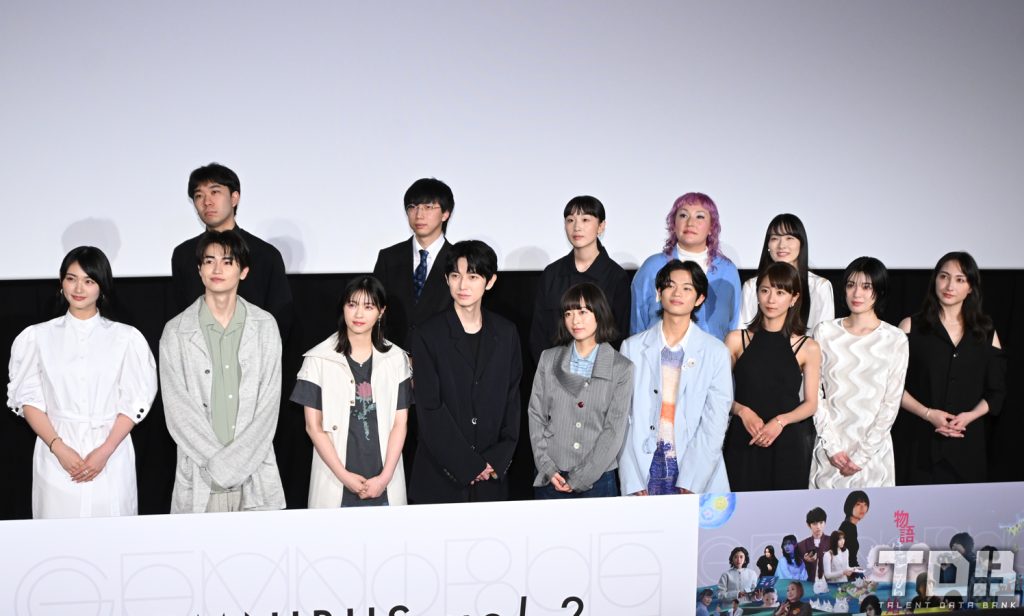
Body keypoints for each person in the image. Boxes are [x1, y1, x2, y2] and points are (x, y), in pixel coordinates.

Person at [7, 247, 158, 518]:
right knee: (56, 537)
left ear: (102, 286)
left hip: (111, 455)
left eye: (89, 281)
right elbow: (29, 400)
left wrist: (105, 451)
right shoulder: (37, 337)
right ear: (61, 282)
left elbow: (136, 399)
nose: (79, 288)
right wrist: (58, 448)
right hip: (55, 454)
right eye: (71, 278)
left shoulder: (126, 338)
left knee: (113, 536)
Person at [160, 230, 285, 513]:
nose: (217, 269)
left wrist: (234, 466)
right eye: (209, 261)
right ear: (199, 270)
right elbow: (178, 413)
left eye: (227, 262)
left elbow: (268, 408)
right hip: (201, 476)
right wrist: (220, 467)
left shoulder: (265, 326)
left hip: (255, 477)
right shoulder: (176, 332)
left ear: (244, 272)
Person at [408, 240, 522, 503]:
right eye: (455, 276)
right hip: (440, 479)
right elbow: (429, 409)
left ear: (490, 282)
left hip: (491, 479)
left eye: (472, 276)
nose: (463, 285)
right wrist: (468, 465)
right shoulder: (428, 335)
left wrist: (495, 460)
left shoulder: (506, 333)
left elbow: (512, 401)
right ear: (446, 280)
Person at [291, 276, 411, 507]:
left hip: (384, 481)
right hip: (335, 479)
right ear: (343, 307)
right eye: (352, 304)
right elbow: (313, 427)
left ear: (381, 311)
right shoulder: (318, 358)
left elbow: (400, 423)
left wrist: (384, 478)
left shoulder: (397, 359)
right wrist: (344, 476)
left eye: (368, 307)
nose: (358, 314)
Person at [619, 260, 733, 495]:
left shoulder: (716, 352)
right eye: (670, 286)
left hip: (696, 471)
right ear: (659, 293)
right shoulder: (631, 348)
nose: (677, 293)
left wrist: (693, 480)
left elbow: (715, 421)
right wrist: (632, 480)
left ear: (700, 298)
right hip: (643, 469)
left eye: (687, 288)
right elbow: (621, 418)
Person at [895, 251, 1005, 485]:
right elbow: (893, 387)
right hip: (918, 444)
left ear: (971, 287)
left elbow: (996, 391)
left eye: (959, 279)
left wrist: (969, 417)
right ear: (935, 279)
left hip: (967, 446)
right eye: (944, 276)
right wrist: (928, 414)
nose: (949, 286)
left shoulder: (986, 332)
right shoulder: (910, 327)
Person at [809, 257, 909, 489]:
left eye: (866, 286)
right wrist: (832, 447)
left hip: (874, 454)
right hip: (830, 449)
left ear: (879, 291)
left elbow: (891, 402)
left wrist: (863, 455)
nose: (857, 293)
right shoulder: (825, 332)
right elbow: (814, 393)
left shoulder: (894, 338)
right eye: (851, 285)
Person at [528, 283, 633, 498]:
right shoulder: (549, 358)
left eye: (583, 312)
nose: (575, 320)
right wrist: (546, 467)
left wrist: (581, 477)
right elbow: (536, 415)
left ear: (599, 313)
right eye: (569, 313)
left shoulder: (621, 367)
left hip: (598, 478)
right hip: (552, 475)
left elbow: (614, 430)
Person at [723, 262, 821, 491]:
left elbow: (811, 404)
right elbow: (718, 393)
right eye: (765, 290)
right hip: (744, 438)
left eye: (780, 292)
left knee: (786, 511)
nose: (771, 299)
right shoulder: (736, 340)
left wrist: (780, 422)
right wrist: (742, 411)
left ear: (794, 298)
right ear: (757, 294)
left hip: (786, 443)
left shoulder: (808, 347)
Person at [171, 162, 292, 339]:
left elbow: (280, 319)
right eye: (199, 195)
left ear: (234, 198)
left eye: (215, 192)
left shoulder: (265, 254)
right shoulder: (184, 254)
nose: (207, 202)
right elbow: (178, 318)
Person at [528, 195, 630, 363]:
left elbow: (620, 335)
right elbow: (538, 333)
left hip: (600, 373)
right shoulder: (552, 274)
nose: (577, 227)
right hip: (554, 371)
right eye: (570, 220)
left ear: (601, 226)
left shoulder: (616, 276)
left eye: (585, 220)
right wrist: (550, 371)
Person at [630, 192, 741, 341]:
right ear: (673, 224)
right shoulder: (652, 267)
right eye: (683, 215)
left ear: (711, 227)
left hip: (713, 353)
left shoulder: (727, 270)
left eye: (700, 216)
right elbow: (637, 322)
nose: (690, 223)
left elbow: (733, 325)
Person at [372, 177, 455, 350]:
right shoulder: (389, 257)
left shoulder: (458, 260)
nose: (419, 214)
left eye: (428, 207)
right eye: (412, 207)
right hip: (393, 355)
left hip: (441, 355)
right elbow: (375, 308)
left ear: (445, 214)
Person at [740, 214, 834, 333]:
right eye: (775, 238)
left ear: (801, 243)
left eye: (789, 238)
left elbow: (824, 336)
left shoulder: (820, 287)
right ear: (767, 245)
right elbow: (743, 333)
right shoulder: (751, 286)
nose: (782, 245)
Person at [796, 507, 831, 582]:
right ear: (808, 525)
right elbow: (796, 570)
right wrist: (805, 561)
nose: (818, 527)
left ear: (825, 522)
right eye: (814, 523)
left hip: (830, 584)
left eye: (821, 522)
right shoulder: (801, 545)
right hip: (809, 585)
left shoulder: (833, 542)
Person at [838, 490, 870, 568]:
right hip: (847, 571)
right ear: (850, 506)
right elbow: (849, 559)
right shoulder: (848, 527)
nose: (863, 508)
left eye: (865, 504)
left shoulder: (850, 526)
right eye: (858, 504)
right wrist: (858, 572)